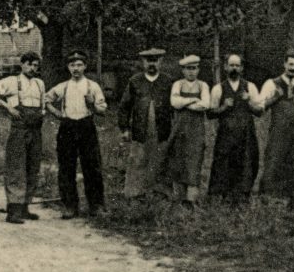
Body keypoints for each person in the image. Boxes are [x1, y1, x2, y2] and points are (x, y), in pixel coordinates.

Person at [0, 51, 46, 223]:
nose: (33, 68)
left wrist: (42, 113)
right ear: (22, 64)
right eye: (30, 64)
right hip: (19, 130)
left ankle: (25, 207)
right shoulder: (12, 82)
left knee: (32, 168)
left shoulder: (40, 83)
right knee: (16, 168)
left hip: (36, 130)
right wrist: (7, 107)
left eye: (36, 65)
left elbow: (43, 104)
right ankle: (14, 210)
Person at [45, 51, 109, 218]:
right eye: (72, 65)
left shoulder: (92, 86)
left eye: (79, 65)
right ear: (68, 67)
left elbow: (103, 110)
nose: (76, 68)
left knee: (92, 167)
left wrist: (92, 104)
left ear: (85, 67)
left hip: (86, 126)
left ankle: (96, 205)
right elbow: (46, 99)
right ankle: (69, 206)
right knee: (66, 167)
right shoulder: (63, 86)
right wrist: (57, 113)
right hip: (67, 127)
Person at [118, 48, 173, 200]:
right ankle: (136, 193)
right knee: (138, 159)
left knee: (161, 158)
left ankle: (160, 192)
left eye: (155, 60)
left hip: (162, 128)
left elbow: (174, 105)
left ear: (160, 62)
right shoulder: (135, 81)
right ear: (143, 62)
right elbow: (124, 106)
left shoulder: (167, 81)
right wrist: (124, 128)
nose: (152, 64)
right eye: (148, 61)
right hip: (140, 128)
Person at [208, 53, 263, 203]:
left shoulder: (250, 87)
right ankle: (224, 196)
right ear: (225, 67)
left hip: (246, 133)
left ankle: (244, 195)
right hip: (226, 134)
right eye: (231, 65)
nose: (234, 68)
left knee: (247, 162)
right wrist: (224, 107)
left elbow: (259, 112)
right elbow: (210, 113)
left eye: (237, 65)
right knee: (224, 163)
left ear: (242, 68)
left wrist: (249, 101)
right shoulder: (218, 88)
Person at [259, 53, 294, 206]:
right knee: (275, 160)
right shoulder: (271, 83)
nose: (293, 68)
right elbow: (260, 106)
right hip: (279, 131)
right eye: (291, 64)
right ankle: (272, 197)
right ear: (284, 64)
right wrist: (275, 97)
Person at [161, 54, 211, 204]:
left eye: (194, 68)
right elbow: (174, 102)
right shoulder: (178, 84)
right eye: (188, 69)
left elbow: (205, 105)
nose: (191, 72)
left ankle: (191, 201)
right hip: (180, 129)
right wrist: (193, 100)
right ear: (183, 70)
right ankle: (179, 199)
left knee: (194, 161)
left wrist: (185, 104)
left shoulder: (203, 85)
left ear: (198, 70)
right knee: (178, 161)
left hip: (196, 130)